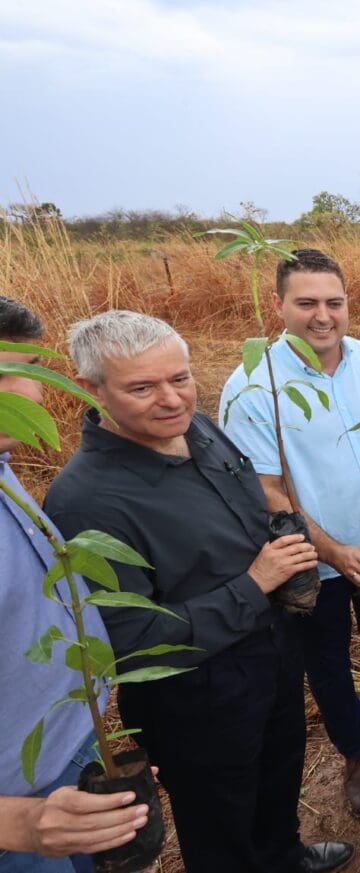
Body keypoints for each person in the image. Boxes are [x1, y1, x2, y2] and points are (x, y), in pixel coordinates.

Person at [43, 311, 352, 873]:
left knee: (278, 772)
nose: (170, 400)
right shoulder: (86, 502)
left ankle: (284, 857)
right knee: (218, 818)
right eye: (142, 387)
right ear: (91, 389)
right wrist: (255, 582)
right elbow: (132, 642)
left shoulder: (199, 428)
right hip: (197, 693)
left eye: (179, 379)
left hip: (272, 652)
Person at [220, 249, 360, 820]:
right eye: (306, 303)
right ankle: (357, 753)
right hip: (312, 559)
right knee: (328, 659)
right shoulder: (253, 385)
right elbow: (266, 487)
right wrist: (333, 550)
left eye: (333, 303)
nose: (323, 316)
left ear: (348, 304)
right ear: (278, 305)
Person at [0, 298, 149, 872]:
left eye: (34, 369)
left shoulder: (6, 467)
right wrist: (21, 824)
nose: (36, 393)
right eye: (10, 374)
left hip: (70, 759)